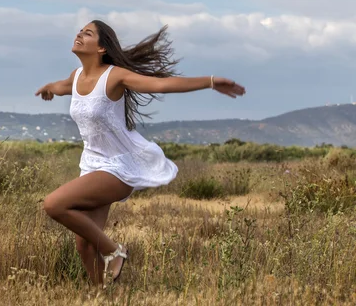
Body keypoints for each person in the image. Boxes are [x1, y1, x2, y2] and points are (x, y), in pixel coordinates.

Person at [34, 20, 246, 288]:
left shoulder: (115, 76)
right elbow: (62, 86)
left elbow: (161, 85)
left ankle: (114, 251)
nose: (79, 34)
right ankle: (103, 295)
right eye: (79, 31)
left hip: (117, 167)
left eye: (87, 33)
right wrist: (48, 89)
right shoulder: (76, 77)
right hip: (91, 165)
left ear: (101, 48)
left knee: (54, 204)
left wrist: (211, 81)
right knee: (84, 245)